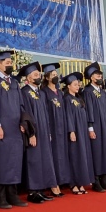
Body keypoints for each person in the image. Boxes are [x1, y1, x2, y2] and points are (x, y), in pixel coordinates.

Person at [0, 50, 28, 209]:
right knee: (1, 161)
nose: (10, 64)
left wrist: (23, 122)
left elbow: (21, 104)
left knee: (14, 161)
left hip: (15, 128)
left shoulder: (14, 82)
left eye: (11, 62)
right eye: (7, 62)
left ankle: (13, 194)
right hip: (2, 127)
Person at [18, 62, 59, 203]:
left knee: (43, 160)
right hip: (33, 132)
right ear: (28, 78)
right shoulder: (24, 92)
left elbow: (46, 114)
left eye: (39, 74)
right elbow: (25, 115)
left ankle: (40, 189)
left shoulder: (40, 93)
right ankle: (32, 191)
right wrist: (31, 134)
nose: (38, 76)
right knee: (33, 160)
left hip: (43, 131)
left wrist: (47, 131)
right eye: (35, 75)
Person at [81, 62, 106, 192]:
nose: (100, 78)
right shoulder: (87, 91)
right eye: (97, 75)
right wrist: (90, 127)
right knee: (97, 152)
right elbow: (88, 110)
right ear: (91, 77)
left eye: (101, 75)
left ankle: (105, 180)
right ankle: (96, 182)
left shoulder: (102, 92)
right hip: (95, 126)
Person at [62, 72, 94, 194]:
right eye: (75, 84)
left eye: (78, 84)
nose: (77, 86)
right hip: (74, 131)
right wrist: (71, 131)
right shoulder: (66, 99)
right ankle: (73, 183)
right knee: (74, 156)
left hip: (82, 131)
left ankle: (81, 182)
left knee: (83, 156)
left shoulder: (78, 99)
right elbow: (68, 116)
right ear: (68, 86)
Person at [41, 63, 69, 197]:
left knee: (61, 154)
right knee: (53, 155)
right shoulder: (44, 93)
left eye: (56, 75)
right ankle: (53, 183)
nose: (55, 77)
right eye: (53, 75)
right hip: (51, 127)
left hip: (61, 128)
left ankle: (61, 180)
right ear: (46, 77)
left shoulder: (60, 93)